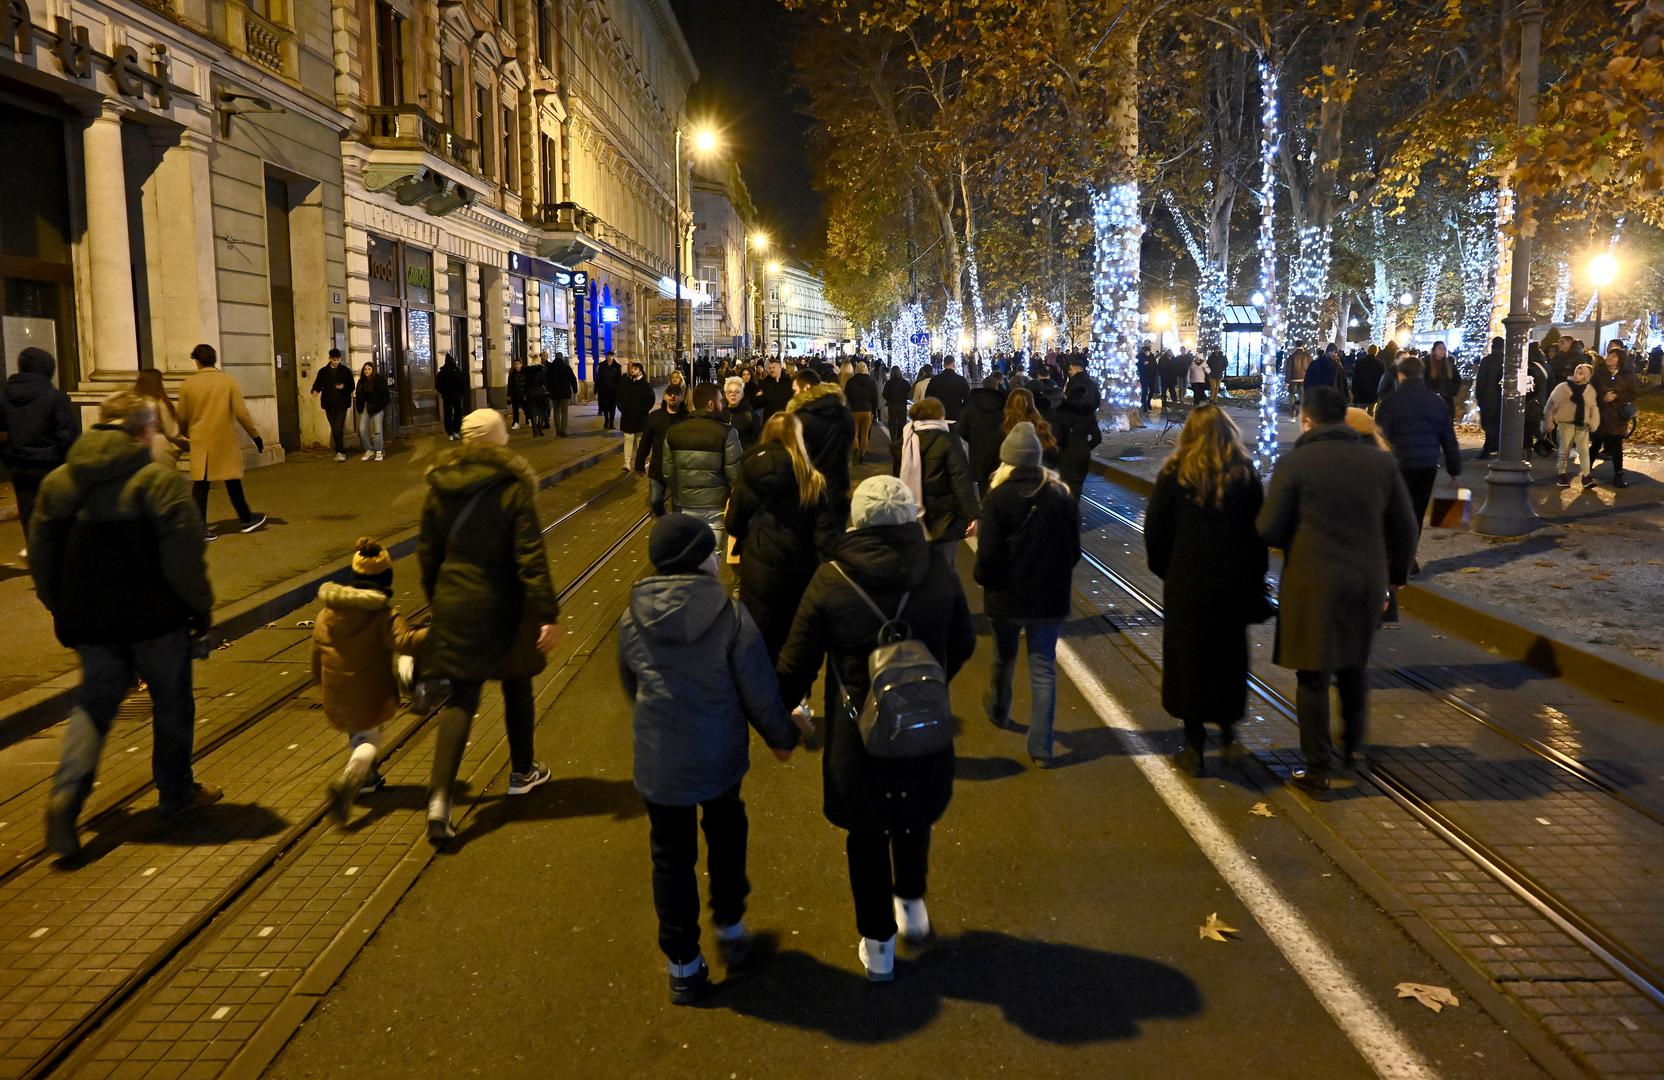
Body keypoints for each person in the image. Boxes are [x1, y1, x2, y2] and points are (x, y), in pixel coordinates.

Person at [776, 475, 976, 982]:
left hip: (854, 732)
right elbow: (964, 640)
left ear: (858, 520)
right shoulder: (935, 569)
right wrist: (927, 683)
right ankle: (911, 906)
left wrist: (780, 715)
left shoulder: (832, 577)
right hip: (923, 722)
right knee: (914, 816)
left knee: (866, 833)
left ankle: (878, 945)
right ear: (910, 517)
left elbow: (796, 663)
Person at [618, 513, 799, 1004]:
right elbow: (758, 688)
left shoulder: (632, 615)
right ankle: (731, 927)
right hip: (718, 755)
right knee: (725, 834)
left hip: (660, 761)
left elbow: (632, 682)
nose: (719, 558)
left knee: (670, 857)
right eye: (712, 551)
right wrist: (781, 736)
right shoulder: (729, 614)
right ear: (700, 560)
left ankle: (683, 964)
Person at [33, 392, 218, 860]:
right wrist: (200, 611)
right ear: (144, 432)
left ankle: (67, 796)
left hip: (90, 620)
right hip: (156, 620)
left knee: (93, 707)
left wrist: (60, 606)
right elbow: (185, 562)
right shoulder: (158, 482)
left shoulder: (58, 483)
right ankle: (175, 794)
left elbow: (42, 559)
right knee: (172, 703)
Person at [1257, 386, 1417, 792]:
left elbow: (1269, 529)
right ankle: (1351, 749)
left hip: (1312, 583)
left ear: (1307, 420)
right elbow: (1406, 526)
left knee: (1312, 675)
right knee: (1353, 667)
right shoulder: (1381, 464)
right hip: (1365, 581)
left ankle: (1317, 768)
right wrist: (1396, 575)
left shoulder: (1295, 463)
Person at [419, 408, 561, 844]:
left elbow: (429, 554)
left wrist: (438, 600)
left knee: (461, 697)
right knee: (516, 684)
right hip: (506, 604)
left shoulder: (440, 487)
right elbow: (529, 556)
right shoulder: (511, 488)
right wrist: (547, 612)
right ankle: (522, 772)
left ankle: (439, 801)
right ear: (499, 440)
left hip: (457, 601)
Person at [1144, 406, 1269, 778]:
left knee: (1190, 659)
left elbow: (1155, 532)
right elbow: (1257, 538)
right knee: (1228, 658)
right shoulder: (1245, 476)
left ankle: (1194, 743)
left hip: (1188, 584)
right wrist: (1253, 577)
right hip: (1232, 585)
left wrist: (1168, 570)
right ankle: (1229, 735)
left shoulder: (1174, 474)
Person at [975, 422, 1080, 766]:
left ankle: (998, 709)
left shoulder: (996, 498)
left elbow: (988, 556)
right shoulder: (1061, 495)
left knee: (1003, 657)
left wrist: (983, 578)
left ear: (1006, 460)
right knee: (1043, 667)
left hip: (1005, 597)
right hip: (1049, 598)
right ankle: (1041, 748)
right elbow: (1073, 551)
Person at [310, 537, 425, 823]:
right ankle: (349, 781)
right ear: (386, 578)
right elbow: (405, 642)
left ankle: (370, 777)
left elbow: (316, 652)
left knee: (356, 731)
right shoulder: (383, 614)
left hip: (336, 689)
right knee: (369, 740)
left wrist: (320, 683)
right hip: (369, 691)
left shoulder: (327, 612)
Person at [726, 412, 839, 661]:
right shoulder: (811, 478)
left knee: (758, 640)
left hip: (758, 566)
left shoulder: (750, 469)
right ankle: (791, 695)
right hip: (800, 570)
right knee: (794, 643)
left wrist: (748, 538)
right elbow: (825, 538)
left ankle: (759, 691)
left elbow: (733, 521)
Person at [1373, 352, 1461, 558]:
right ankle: (1409, 556)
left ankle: (1394, 554)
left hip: (1398, 465)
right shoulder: (1436, 403)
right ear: (1421, 375)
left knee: (1395, 510)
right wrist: (1454, 468)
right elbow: (1448, 438)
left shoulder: (1391, 402)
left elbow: (1380, 436)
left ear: (1401, 376)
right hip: (1426, 465)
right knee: (1417, 512)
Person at [176, 343, 267, 538]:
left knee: (201, 485)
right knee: (232, 480)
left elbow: (181, 416)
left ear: (197, 361)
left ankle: (200, 527)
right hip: (224, 440)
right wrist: (255, 436)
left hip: (201, 441)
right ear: (214, 359)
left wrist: (185, 434)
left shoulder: (188, 385)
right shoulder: (228, 382)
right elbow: (241, 413)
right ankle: (246, 519)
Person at [2, 347, 79, 554]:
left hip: (19, 465)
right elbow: (67, 434)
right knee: (55, 512)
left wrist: (9, 455)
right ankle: (55, 557)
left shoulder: (6, 396)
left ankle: (37, 555)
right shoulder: (54, 397)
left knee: (28, 513)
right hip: (50, 464)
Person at [662, 383, 743, 553]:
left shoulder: (674, 432)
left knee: (689, 553)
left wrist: (679, 494)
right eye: (721, 401)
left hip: (685, 504)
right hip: (716, 505)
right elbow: (735, 475)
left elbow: (668, 472)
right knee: (712, 554)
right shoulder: (727, 433)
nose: (724, 405)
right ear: (710, 405)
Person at [900, 397, 978, 554]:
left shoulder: (904, 441)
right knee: (945, 566)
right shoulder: (948, 440)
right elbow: (960, 479)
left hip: (911, 514)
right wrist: (972, 514)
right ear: (939, 416)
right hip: (945, 516)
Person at [786, 369, 856, 520]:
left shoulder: (801, 419)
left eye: (795, 390)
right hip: (839, 487)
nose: (794, 395)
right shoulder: (844, 412)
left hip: (809, 491)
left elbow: (795, 457)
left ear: (807, 388)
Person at [1544, 363, 1602, 488]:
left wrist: (1593, 423)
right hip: (1566, 423)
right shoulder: (1563, 387)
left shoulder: (1589, 390)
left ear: (1587, 376)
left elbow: (1593, 408)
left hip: (1582, 425)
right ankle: (1561, 475)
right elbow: (1551, 405)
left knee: (1584, 451)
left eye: (1581, 373)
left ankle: (1586, 476)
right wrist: (1548, 421)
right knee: (1564, 450)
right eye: (1576, 372)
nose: (1577, 375)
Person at [635, 384, 686, 516]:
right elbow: (645, 442)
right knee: (655, 500)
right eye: (670, 393)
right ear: (665, 396)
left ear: (682, 397)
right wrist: (639, 464)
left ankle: (675, 528)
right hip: (658, 467)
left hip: (679, 469)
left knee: (678, 504)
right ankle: (664, 519)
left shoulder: (688, 418)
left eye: (676, 394)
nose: (673, 396)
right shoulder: (655, 417)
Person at [1591, 344, 1637, 488]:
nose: (1609, 358)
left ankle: (1618, 475)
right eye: (1609, 355)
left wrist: (1617, 396)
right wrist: (1602, 398)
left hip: (1618, 416)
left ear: (1620, 359)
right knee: (1596, 444)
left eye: (1613, 356)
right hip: (1601, 414)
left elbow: (1633, 393)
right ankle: (1586, 472)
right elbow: (1591, 392)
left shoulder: (1627, 374)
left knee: (1617, 446)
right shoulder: (1599, 373)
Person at [1053, 377, 1101, 500]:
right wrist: (1086, 446)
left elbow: (1057, 435)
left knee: (1064, 485)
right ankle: (1074, 508)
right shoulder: (1088, 412)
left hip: (1066, 452)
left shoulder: (1061, 411)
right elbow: (1097, 437)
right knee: (1077, 484)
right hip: (1083, 451)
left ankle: (1067, 511)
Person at [959, 375, 1009, 493]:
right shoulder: (1004, 404)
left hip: (978, 451)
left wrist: (972, 439)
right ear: (997, 385)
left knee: (983, 485)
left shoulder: (972, 404)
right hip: (1000, 452)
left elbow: (962, 430)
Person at [133, 369, 187, 466]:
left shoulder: (131, 402)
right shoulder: (159, 403)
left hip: (134, 450)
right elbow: (172, 432)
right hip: (157, 449)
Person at [310, 348, 356, 459]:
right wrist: (315, 391)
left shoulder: (345, 371)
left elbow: (352, 386)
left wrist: (343, 387)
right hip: (328, 404)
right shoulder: (323, 371)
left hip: (342, 404)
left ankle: (341, 452)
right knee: (334, 427)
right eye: (334, 360)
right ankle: (339, 450)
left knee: (338, 427)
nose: (336, 362)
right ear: (330, 359)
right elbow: (317, 384)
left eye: (338, 360)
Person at [617, 361, 656, 472]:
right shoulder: (625, 383)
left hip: (640, 418)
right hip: (627, 417)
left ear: (640, 371)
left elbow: (650, 400)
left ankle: (639, 462)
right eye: (631, 369)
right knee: (628, 439)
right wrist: (622, 409)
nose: (632, 370)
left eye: (635, 369)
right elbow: (619, 397)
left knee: (639, 441)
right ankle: (626, 463)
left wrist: (643, 411)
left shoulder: (645, 385)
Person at [843, 360, 879, 462]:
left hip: (854, 410)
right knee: (865, 434)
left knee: (855, 433)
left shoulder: (851, 381)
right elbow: (875, 398)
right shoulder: (871, 381)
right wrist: (874, 412)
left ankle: (855, 450)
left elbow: (847, 395)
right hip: (867, 410)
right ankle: (863, 453)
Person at [353, 361, 389, 462]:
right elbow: (359, 395)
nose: (366, 371)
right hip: (366, 407)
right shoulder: (361, 381)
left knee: (377, 430)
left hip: (377, 407)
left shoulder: (379, 380)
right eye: (365, 369)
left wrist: (380, 406)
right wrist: (359, 405)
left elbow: (386, 395)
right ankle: (369, 449)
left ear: (372, 370)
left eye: (369, 369)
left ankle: (379, 450)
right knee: (362, 429)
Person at [1475, 337, 1504, 459]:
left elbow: (1481, 380)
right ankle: (1495, 445)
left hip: (1488, 397)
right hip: (1501, 397)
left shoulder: (1487, 361)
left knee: (1488, 423)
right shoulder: (1506, 360)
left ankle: (1488, 447)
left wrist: (1479, 396)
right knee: (1497, 423)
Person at [721, 376, 760, 451]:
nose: (733, 394)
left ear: (742, 395)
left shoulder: (751, 415)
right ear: (726, 394)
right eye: (730, 392)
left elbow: (757, 439)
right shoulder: (720, 414)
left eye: (737, 392)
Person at [928, 356, 970, 424]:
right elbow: (968, 400)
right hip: (956, 416)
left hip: (938, 416)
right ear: (954, 364)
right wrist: (960, 410)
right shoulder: (961, 380)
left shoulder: (934, 380)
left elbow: (928, 398)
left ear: (943, 365)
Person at [1425, 341, 1462, 417]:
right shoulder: (1426, 363)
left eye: (1444, 348)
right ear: (1434, 350)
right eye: (1439, 348)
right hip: (1430, 399)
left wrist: (1451, 390)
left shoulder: (1449, 363)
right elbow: (1424, 380)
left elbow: (1457, 379)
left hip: (1446, 399)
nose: (1442, 350)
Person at [882, 363, 912, 452]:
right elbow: (909, 394)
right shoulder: (905, 383)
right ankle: (899, 439)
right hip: (902, 405)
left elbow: (884, 394)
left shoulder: (889, 383)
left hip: (892, 405)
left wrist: (889, 398)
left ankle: (893, 440)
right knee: (902, 423)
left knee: (892, 423)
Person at [436, 353, 466, 441]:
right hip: (456, 396)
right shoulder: (457, 371)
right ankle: (456, 431)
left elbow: (438, 385)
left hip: (447, 397)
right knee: (457, 413)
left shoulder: (441, 373)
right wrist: (461, 392)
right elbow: (462, 384)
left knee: (447, 414)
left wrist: (443, 392)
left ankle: (450, 433)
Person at [548, 353, 578, 436]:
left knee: (556, 412)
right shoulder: (566, 367)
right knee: (564, 412)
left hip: (554, 394)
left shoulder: (551, 368)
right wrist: (575, 390)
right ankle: (563, 431)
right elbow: (573, 379)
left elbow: (547, 380)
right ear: (562, 358)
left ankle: (558, 431)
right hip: (565, 394)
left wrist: (549, 390)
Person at [523, 353, 550, 437]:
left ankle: (534, 431)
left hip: (530, 393)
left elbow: (525, 383)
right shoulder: (542, 369)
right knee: (541, 412)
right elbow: (544, 382)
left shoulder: (527, 370)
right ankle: (540, 430)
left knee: (532, 412)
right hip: (540, 393)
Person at [595, 352, 623, 430]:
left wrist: (619, 390)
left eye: (611, 356)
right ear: (606, 357)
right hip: (603, 390)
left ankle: (611, 422)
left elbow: (619, 379)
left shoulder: (617, 367)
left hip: (613, 390)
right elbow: (598, 378)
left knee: (612, 407)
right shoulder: (601, 366)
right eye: (608, 356)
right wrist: (596, 389)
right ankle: (606, 420)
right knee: (605, 406)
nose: (609, 357)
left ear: (613, 357)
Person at [1352, 345, 1384, 412]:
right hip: (1373, 393)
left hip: (1360, 392)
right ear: (1376, 352)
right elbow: (1381, 380)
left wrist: (1354, 390)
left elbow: (1355, 377)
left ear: (1368, 351)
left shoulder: (1359, 362)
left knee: (1360, 413)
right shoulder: (1380, 364)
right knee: (1370, 412)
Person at [507, 358, 527, 431]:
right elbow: (510, 385)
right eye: (515, 364)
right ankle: (516, 423)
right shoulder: (512, 373)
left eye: (518, 364)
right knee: (515, 409)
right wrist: (509, 395)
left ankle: (529, 418)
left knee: (525, 408)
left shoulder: (525, 372)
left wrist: (526, 393)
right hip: (515, 394)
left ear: (521, 364)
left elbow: (527, 384)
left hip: (523, 394)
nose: (516, 366)